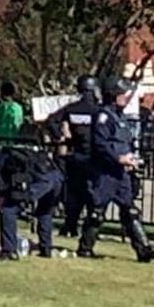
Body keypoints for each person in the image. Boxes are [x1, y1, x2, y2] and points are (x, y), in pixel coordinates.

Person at [79, 79, 154, 262]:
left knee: (130, 211)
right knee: (97, 212)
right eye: (122, 94)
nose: (126, 97)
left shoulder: (121, 117)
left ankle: (144, 249)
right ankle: (85, 248)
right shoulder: (104, 116)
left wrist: (131, 158)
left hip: (121, 173)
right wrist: (117, 158)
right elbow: (100, 144)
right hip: (105, 172)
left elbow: (124, 142)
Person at [0, 127, 61, 259]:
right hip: (55, 177)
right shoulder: (35, 150)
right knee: (45, 210)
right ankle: (46, 248)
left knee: (8, 209)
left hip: (40, 180)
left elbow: (0, 181)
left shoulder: (3, 155)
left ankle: (9, 250)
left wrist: (3, 197)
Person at [45, 75, 100, 238]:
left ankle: (70, 226)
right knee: (92, 195)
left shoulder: (71, 109)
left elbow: (52, 120)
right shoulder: (98, 111)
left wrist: (61, 137)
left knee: (74, 194)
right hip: (94, 157)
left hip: (75, 154)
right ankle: (89, 231)